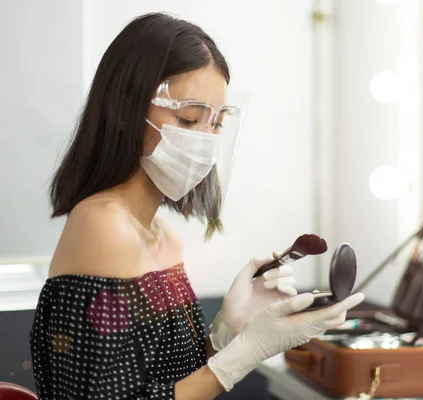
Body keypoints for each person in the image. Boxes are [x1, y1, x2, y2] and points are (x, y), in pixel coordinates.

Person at [29, 12, 364, 400]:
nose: (204, 141)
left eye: (217, 124)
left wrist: (228, 329)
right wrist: (246, 353)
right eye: (189, 119)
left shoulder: (163, 237)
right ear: (123, 111)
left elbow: (164, 383)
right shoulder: (104, 226)